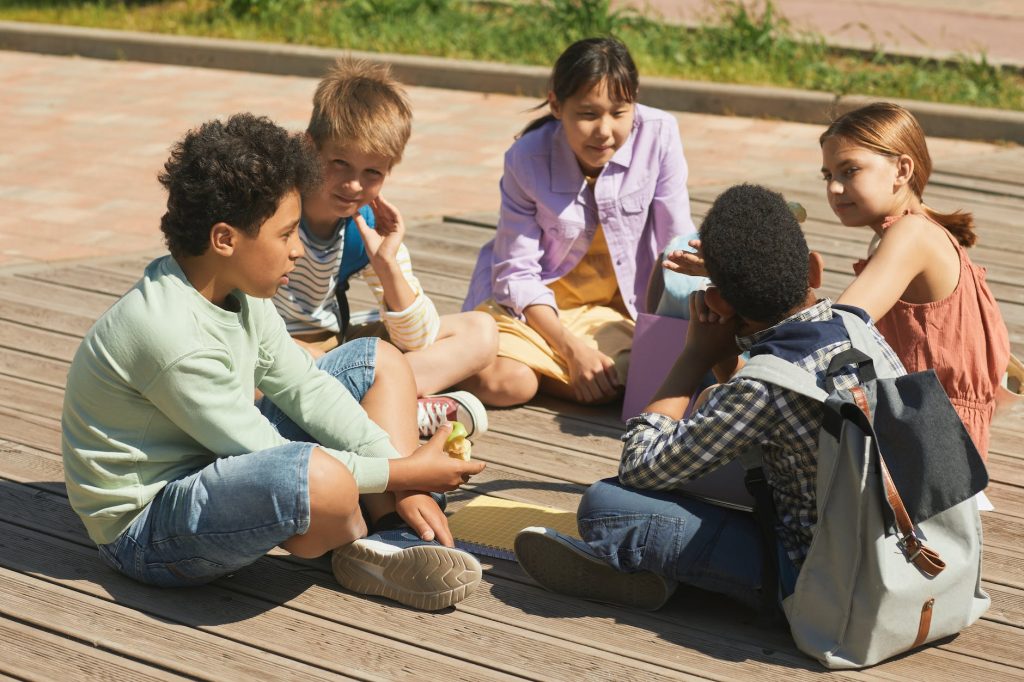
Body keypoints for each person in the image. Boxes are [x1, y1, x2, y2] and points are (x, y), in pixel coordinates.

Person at [62, 114, 486, 611]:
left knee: (381, 361)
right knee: (318, 479)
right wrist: (398, 473)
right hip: (149, 529)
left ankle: (392, 532)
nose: (299, 249)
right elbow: (262, 450)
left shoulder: (234, 288)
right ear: (225, 239)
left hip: (219, 465)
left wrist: (404, 474)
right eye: (286, 234)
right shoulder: (170, 334)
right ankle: (362, 538)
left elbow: (306, 386)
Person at [513, 184, 905, 611]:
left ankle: (659, 573)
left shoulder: (761, 388)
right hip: (904, 553)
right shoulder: (858, 326)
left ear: (717, 298)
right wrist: (726, 353)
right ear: (814, 270)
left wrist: (694, 355)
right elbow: (753, 407)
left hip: (823, 585)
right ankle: (653, 572)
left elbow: (638, 468)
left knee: (605, 504)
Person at [461, 37, 696, 407]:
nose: (604, 130)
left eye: (619, 113)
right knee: (508, 384)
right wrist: (572, 351)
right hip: (538, 310)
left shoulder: (661, 133)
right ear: (556, 104)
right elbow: (516, 274)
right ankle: (550, 370)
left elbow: (677, 243)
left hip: (614, 312)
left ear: (635, 99)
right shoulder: (526, 157)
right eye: (588, 114)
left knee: (636, 373)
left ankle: (555, 375)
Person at [273, 58, 496, 437]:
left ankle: (373, 405)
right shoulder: (276, 207)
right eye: (340, 163)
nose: (354, 185)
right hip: (277, 349)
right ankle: (394, 410)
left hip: (332, 348)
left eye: (371, 173)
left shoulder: (366, 227)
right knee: (274, 365)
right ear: (310, 148)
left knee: (482, 330)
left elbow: (418, 339)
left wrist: (387, 264)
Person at [821, 102, 1010, 460]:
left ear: (902, 169)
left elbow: (841, 328)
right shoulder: (909, 233)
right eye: (827, 175)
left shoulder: (911, 235)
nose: (834, 187)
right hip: (924, 432)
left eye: (850, 171)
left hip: (931, 445)